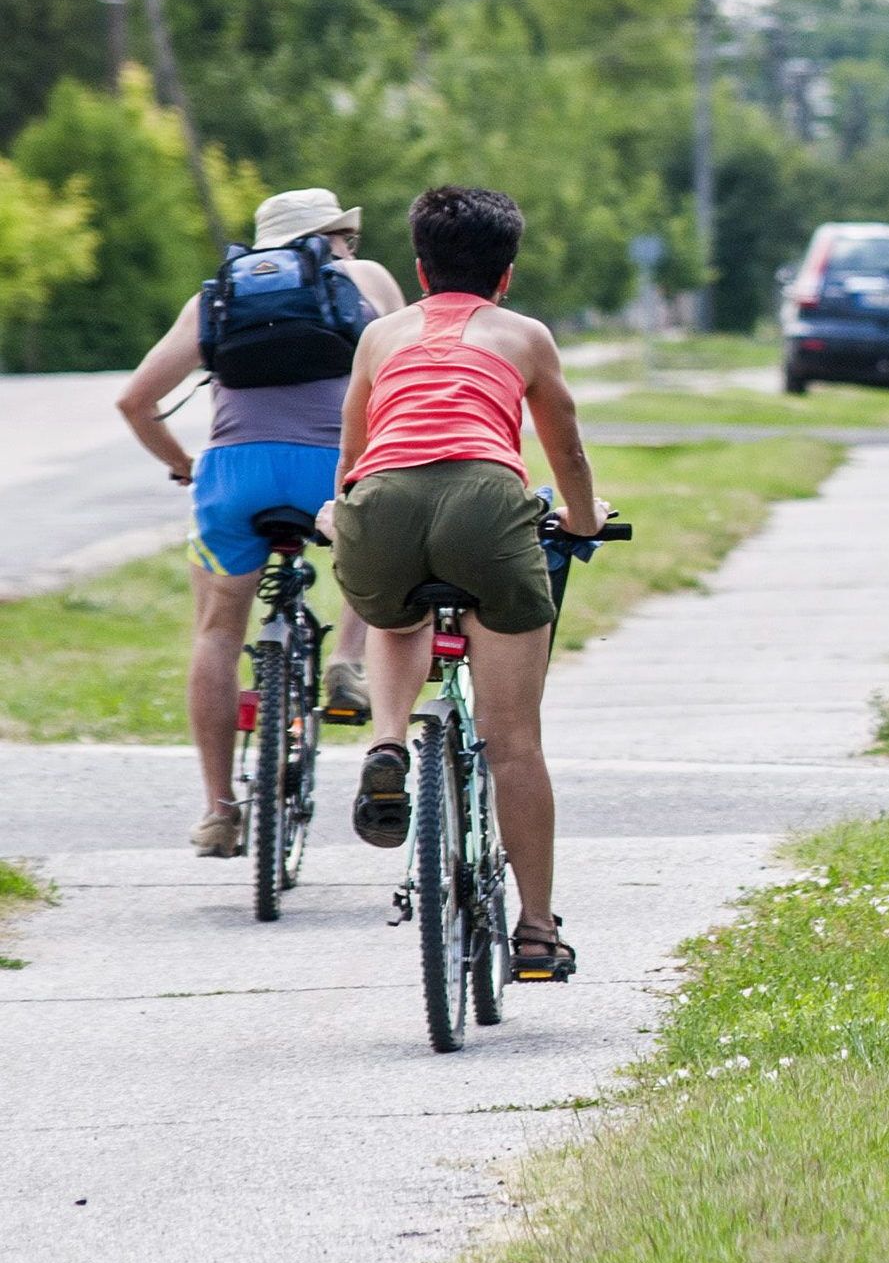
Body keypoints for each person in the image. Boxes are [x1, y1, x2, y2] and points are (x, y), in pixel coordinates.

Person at [325, 185, 603, 984]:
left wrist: (343, 511)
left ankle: (386, 739)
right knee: (514, 740)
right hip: (486, 499)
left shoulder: (381, 335)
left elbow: (353, 455)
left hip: (382, 502)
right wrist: (582, 519)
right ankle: (538, 932)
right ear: (506, 275)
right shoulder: (525, 336)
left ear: (419, 268)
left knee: (393, 609)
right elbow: (568, 454)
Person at [116, 188, 405, 859]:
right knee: (377, 553)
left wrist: (185, 465)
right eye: (348, 236)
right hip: (333, 468)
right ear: (335, 236)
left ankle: (220, 811)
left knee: (217, 631)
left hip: (234, 477)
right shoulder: (365, 280)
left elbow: (134, 400)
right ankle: (347, 662)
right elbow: (405, 374)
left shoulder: (217, 295)